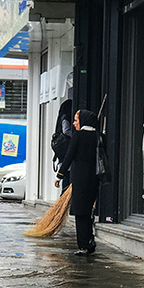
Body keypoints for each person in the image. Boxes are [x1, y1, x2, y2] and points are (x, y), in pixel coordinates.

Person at [55, 108, 101, 256]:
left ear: (83, 121)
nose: (74, 123)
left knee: (80, 213)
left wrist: (59, 175)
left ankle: (84, 245)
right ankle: (90, 240)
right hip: (94, 178)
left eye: (76, 120)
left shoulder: (78, 136)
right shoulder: (99, 137)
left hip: (80, 179)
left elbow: (69, 156)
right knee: (88, 211)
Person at [53, 99, 74, 192]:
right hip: (67, 156)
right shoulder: (66, 118)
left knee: (65, 183)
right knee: (67, 182)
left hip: (62, 157)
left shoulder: (60, 118)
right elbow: (67, 132)